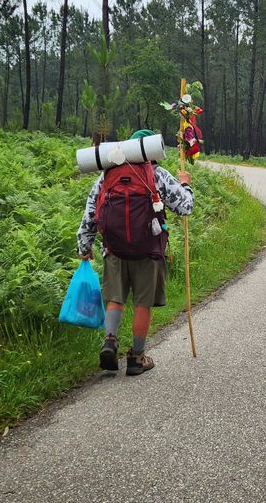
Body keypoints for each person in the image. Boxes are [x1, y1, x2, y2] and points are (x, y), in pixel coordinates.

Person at [77, 129, 194, 376]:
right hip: (148, 250)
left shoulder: (107, 175)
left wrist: (84, 246)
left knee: (115, 298)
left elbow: (90, 213)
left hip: (114, 248)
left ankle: (110, 341)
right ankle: (136, 358)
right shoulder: (156, 174)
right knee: (143, 304)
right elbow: (185, 207)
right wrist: (185, 184)